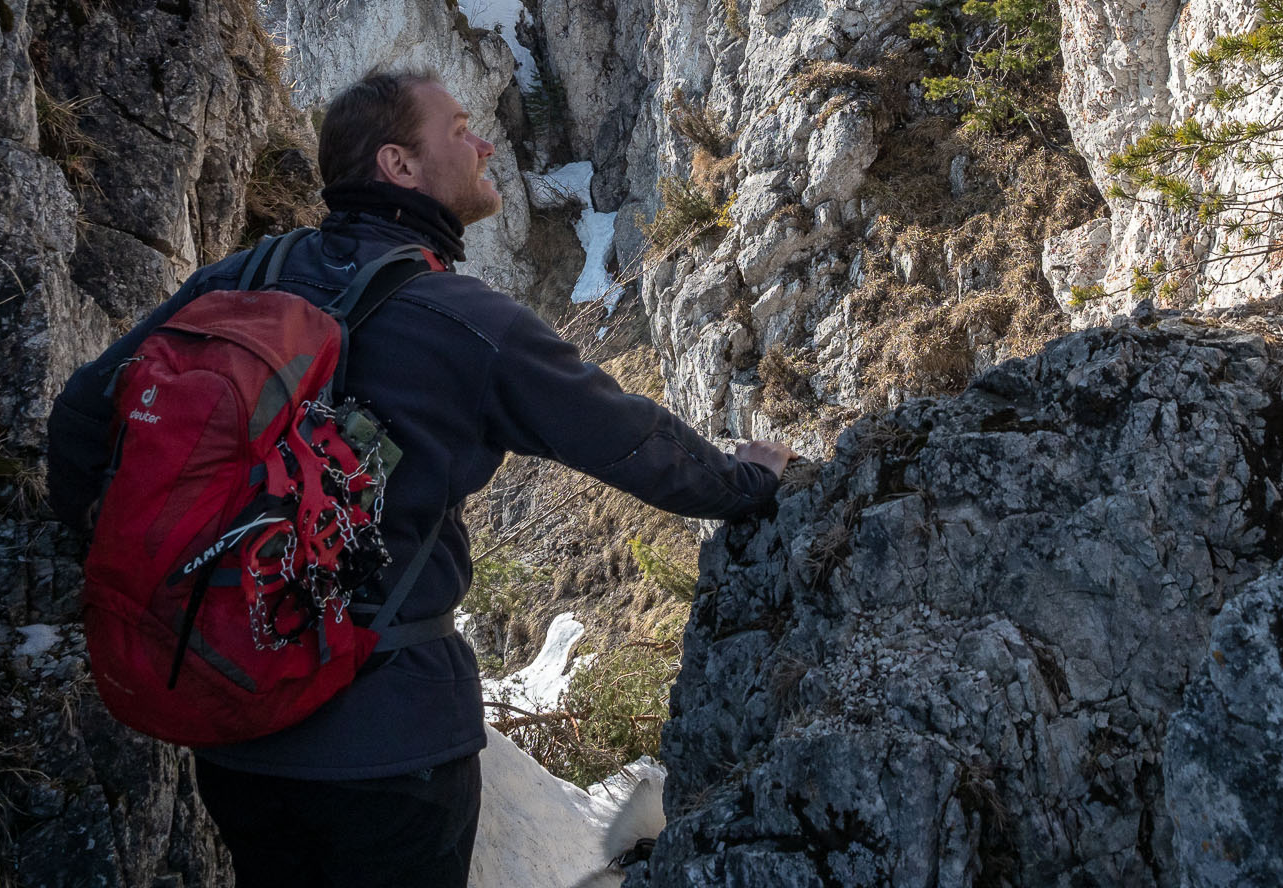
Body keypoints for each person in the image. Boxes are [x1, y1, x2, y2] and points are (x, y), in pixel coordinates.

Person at [46, 68, 795, 888]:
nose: (483, 145)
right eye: (461, 128)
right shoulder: (465, 321)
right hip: (391, 746)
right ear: (399, 166)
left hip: (237, 734)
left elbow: (83, 419)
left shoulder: (242, 278)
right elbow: (630, 443)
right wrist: (749, 481)